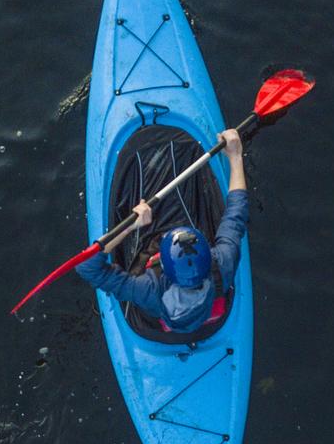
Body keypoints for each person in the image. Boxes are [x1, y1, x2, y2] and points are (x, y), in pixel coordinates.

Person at [75, 128, 249, 333]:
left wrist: (131, 226)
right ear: (210, 256)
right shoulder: (223, 263)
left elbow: (87, 267)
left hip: (161, 313)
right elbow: (236, 213)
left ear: (163, 266)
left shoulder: (148, 290)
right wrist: (236, 157)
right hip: (205, 308)